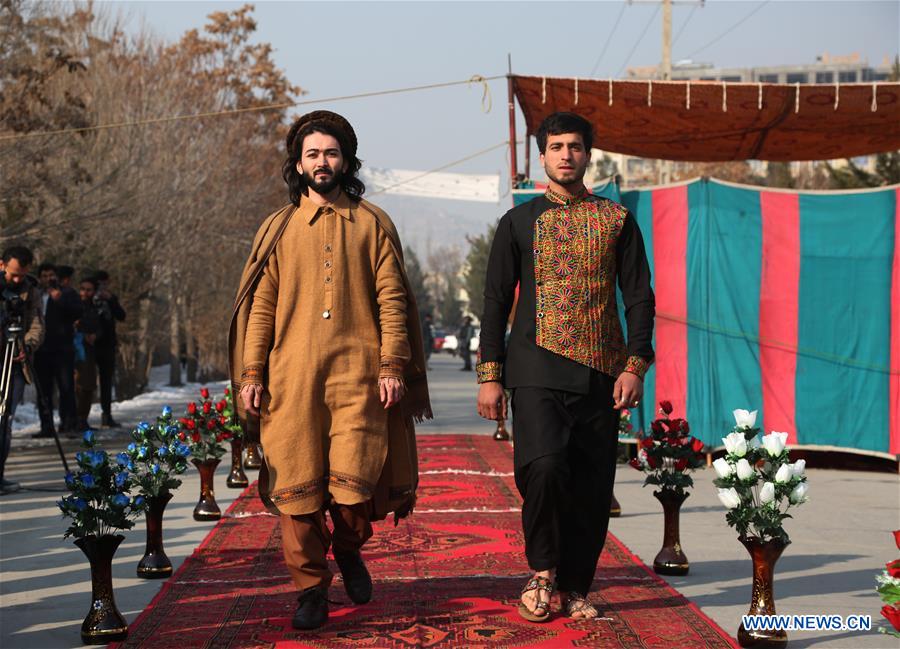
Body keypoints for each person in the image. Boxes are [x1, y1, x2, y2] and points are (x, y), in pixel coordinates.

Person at [229, 110, 431, 631]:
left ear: (347, 159)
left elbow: (392, 300)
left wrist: (392, 365)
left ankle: (348, 549)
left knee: (354, 491)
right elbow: (262, 311)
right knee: (296, 489)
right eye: (313, 153)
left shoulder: (372, 223)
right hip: (290, 381)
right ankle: (311, 591)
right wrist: (252, 374)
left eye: (332, 153)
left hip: (359, 380)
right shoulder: (277, 230)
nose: (323, 162)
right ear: (298, 163)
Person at [475, 112, 654, 622]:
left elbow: (639, 297)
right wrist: (491, 375)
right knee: (546, 467)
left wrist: (635, 365)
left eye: (575, 146)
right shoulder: (518, 222)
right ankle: (542, 571)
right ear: (543, 156)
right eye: (556, 147)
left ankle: (577, 585)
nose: (566, 155)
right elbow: (493, 302)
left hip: (602, 371)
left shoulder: (616, 220)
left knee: (593, 484)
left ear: (588, 155)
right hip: (534, 368)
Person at [0, 246, 44, 494]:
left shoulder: (32, 291)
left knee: (4, 420)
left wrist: (26, 345)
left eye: (22, 275)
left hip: (16, 363)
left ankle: (0, 474)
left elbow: (38, 326)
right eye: (13, 274)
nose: (17, 280)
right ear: (2, 265)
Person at [33, 263, 82, 436]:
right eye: (44, 275)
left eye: (51, 275)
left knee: (66, 388)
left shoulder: (67, 293)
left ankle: (68, 424)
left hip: (63, 349)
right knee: (44, 390)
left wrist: (59, 298)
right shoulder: (35, 293)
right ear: (40, 277)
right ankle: (46, 426)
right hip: (41, 350)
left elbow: (78, 312)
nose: (48, 279)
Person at [91, 270, 125, 427]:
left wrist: (111, 299)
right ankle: (81, 416)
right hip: (90, 345)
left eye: (105, 284)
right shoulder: (87, 298)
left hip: (107, 345)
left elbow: (121, 315)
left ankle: (107, 414)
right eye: (100, 284)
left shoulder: (111, 298)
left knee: (106, 381)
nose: (102, 287)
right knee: (86, 382)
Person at [73, 277, 102, 433]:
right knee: (77, 386)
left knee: (88, 386)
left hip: (90, 351)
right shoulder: (74, 305)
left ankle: (83, 419)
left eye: (88, 290)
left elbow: (102, 327)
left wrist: (95, 335)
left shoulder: (96, 308)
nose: (84, 292)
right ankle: (74, 419)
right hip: (76, 351)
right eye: (82, 289)